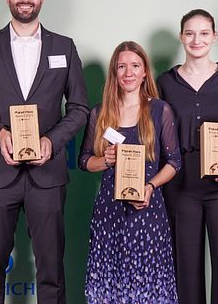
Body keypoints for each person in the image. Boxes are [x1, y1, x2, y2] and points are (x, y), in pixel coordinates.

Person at [0, 0, 89, 304]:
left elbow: (78, 108)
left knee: (51, 272)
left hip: (48, 173)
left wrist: (52, 141)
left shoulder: (64, 46)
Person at [156, 9, 218, 304]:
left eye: (203, 33)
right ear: (181, 37)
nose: (196, 39)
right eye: (189, 33)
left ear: (215, 37)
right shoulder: (165, 83)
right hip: (180, 185)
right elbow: (156, 138)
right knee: (184, 271)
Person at [78, 41, 180, 303]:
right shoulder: (99, 113)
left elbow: (174, 162)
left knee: (147, 285)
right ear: (114, 72)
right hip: (109, 213)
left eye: (135, 66)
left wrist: (150, 187)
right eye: (121, 66)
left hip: (147, 211)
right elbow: (85, 160)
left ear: (145, 71)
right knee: (109, 282)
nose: (128, 73)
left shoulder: (160, 110)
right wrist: (105, 160)